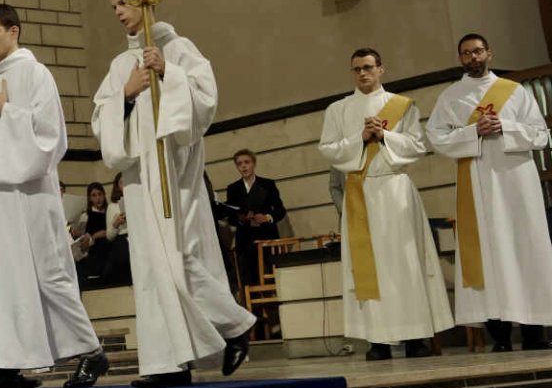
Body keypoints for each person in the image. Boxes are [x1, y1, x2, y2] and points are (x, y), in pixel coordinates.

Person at [92, 0, 252, 388]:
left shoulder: (179, 48)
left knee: (176, 260)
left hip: (176, 173)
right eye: (114, 7)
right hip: (139, 178)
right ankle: (167, 362)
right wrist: (125, 95)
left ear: (147, 2)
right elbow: (100, 122)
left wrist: (168, 74)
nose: (119, 13)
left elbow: (205, 104)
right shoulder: (119, 65)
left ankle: (234, 325)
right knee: (150, 269)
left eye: (125, 2)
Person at [0, 4, 108, 388]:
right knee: (2, 281)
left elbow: (51, 137)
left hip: (30, 194)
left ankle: (91, 349)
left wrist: (7, 110)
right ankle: (8, 364)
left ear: (14, 31)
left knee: (49, 275)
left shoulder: (35, 74)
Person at [318, 48, 453, 360]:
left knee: (406, 263)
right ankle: (377, 342)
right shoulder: (337, 109)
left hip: (395, 190)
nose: (362, 74)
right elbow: (327, 149)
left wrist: (385, 135)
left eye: (368, 67)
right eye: (356, 69)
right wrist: (360, 138)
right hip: (360, 194)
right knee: (371, 269)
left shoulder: (402, 105)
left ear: (381, 69)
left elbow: (418, 145)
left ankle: (416, 337)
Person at [426, 34, 552, 351]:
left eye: (478, 51)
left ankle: (535, 334)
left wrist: (505, 127)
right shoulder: (451, 96)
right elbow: (436, 138)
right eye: (466, 53)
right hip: (477, 181)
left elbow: (540, 134)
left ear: (489, 54)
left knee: (526, 247)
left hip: (517, 182)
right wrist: (473, 132)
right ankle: (500, 337)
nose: (473, 57)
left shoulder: (514, 92)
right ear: (460, 59)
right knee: (490, 254)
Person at [225, 150, 287, 292]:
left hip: (266, 237)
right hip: (245, 240)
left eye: (247, 162)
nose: (244, 166)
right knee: (249, 278)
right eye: (239, 164)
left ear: (254, 163)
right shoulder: (233, 189)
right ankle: (254, 311)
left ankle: (274, 309)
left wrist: (267, 217)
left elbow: (280, 210)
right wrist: (240, 219)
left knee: (272, 274)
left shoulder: (268, 184)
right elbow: (231, 216)